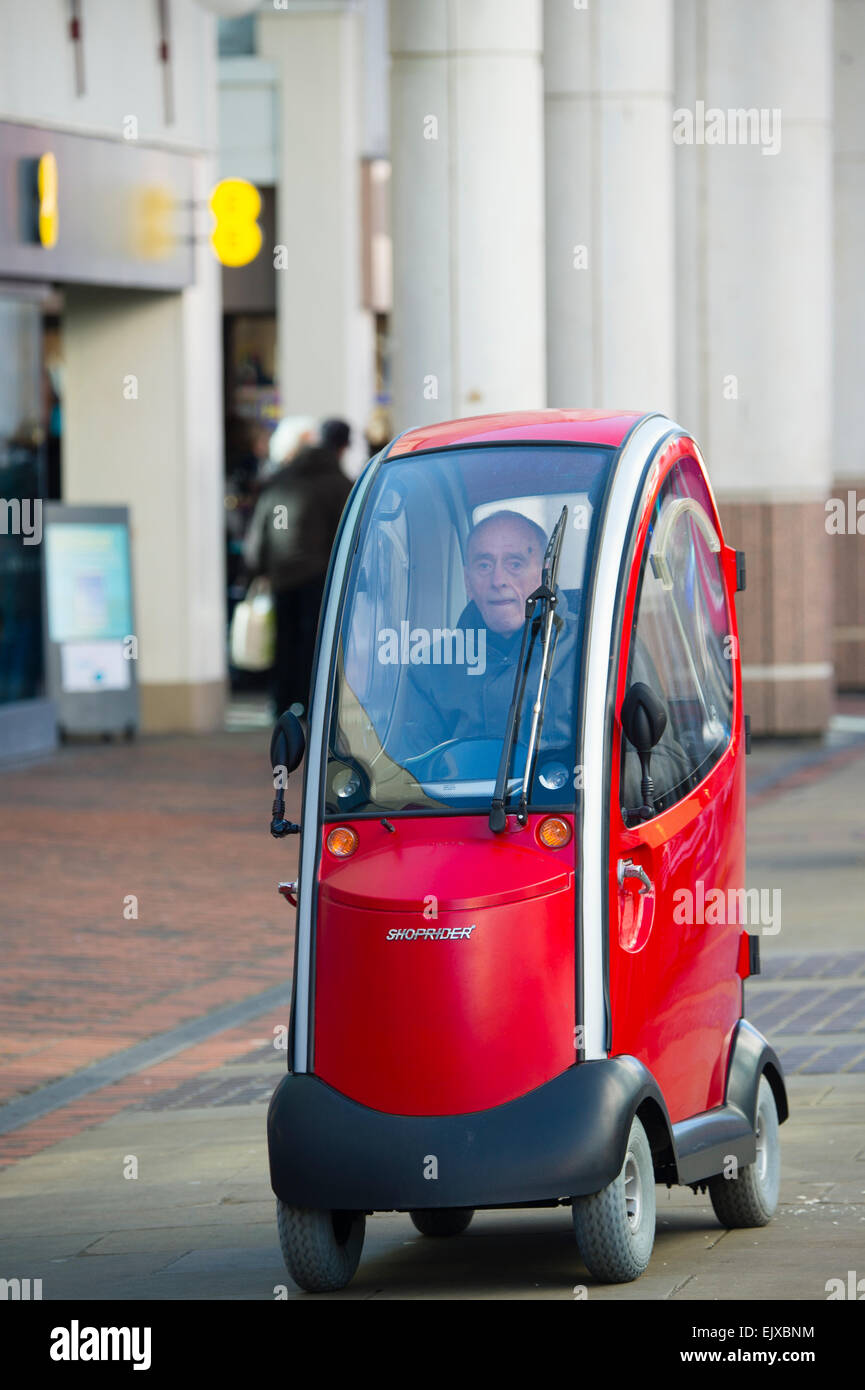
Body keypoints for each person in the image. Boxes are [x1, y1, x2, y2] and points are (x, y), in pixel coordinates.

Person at [396, 510, 579, 762]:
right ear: (467, 580)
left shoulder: (594, 650)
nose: (498, 580)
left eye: (515, 564)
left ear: (545, 574)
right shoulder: (430, 669)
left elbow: (640, 763)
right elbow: (412, 778)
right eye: (484, 565)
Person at [244, 416, 353, 716]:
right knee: (314, 642)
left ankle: (281, 703)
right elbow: (346, 533)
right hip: (319, 576)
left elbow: (260, 528)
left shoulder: (280, 479)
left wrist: (256, 568)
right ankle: (309, 704)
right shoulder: (338, 483)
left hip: (282, 575)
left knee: (284, 640)